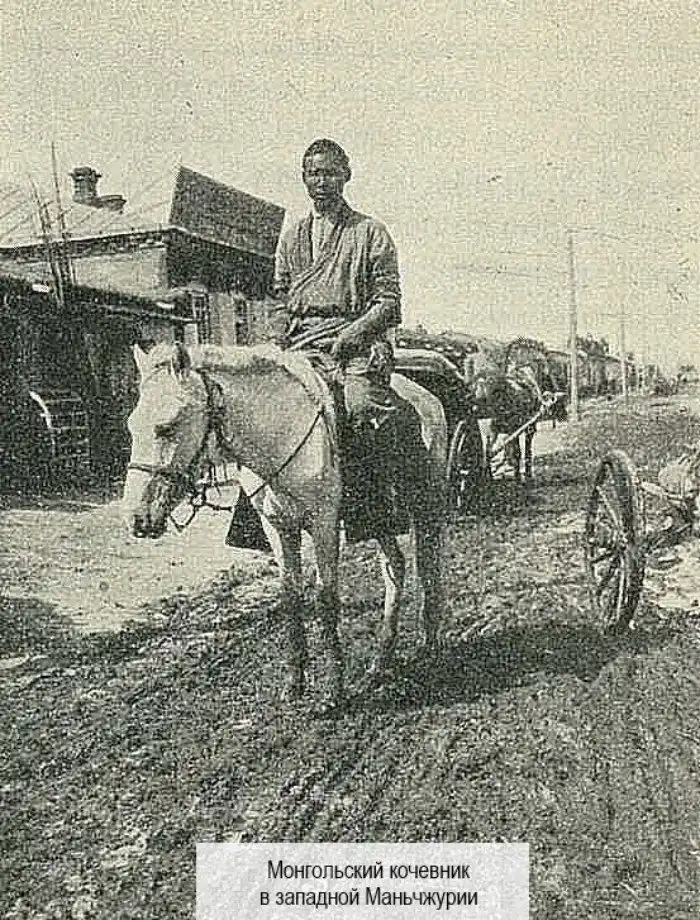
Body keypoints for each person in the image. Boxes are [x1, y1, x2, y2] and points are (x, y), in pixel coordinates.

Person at [273, 138, 428, 541]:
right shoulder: (291, 238)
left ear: (346, 176)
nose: (321, 181)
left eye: (330, 173)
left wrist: (352, 334)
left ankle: (376, 506)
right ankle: (264, 517)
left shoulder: (369, 232)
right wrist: (276, 341)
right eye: (313, 173)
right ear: (303, 179)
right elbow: (279, 300)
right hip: (302, 346)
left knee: (361, 408)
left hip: (353, 345)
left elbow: (388, 302)